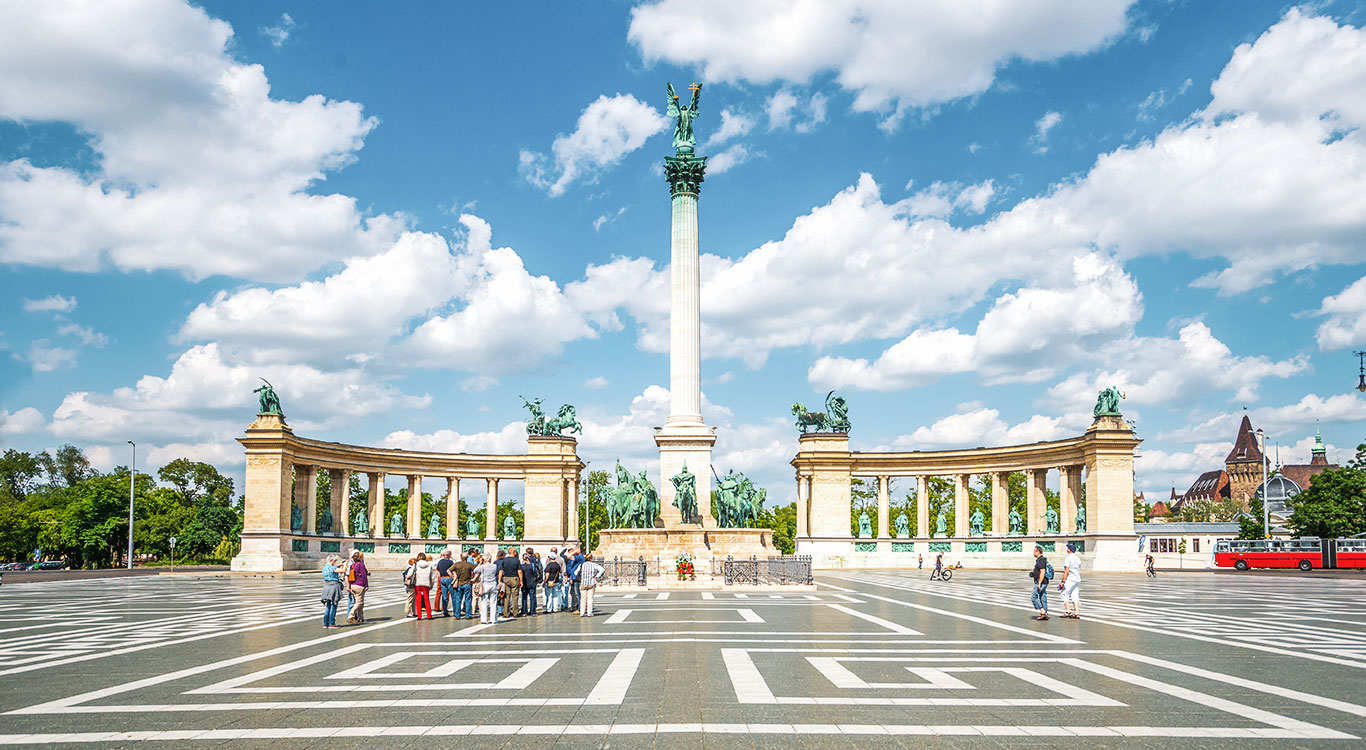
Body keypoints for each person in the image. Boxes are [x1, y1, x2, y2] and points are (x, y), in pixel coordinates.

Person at [473, 553, 500, 624]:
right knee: (493, 603)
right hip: (493, 584)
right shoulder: (495, 566)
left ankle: (484, 619)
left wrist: (480, 563)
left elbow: (475, 570)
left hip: (485, 585)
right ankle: (493, 619)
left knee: (484, 602)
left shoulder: (482, 567)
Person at [496, 549, 523, 618]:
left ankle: (506, 612)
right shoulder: (517, 560)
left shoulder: (504, 560)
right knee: (515, 596)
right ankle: (515, 612)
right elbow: (519, 571)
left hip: (506, 578)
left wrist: (499, 579)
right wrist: (521, 580)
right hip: (514, 578)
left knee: (506, 596)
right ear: (514, 552)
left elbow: (501, 571)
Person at [320, 554, 344, 629]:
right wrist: (345, 564)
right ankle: (332, 623)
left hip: (326, 587)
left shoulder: (325, 567)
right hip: (333, 587)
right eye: (335, 561)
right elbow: (343, 571)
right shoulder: (332, 567)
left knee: (328, 606)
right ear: (332, 560)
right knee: (334, 605)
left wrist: (340, 565)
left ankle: (325, 623)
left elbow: (334, 569)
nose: (335, 562)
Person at [1058, 542, 1082, 619]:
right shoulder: (1078, 559)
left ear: (1069, 550)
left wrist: (1062, 581)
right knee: (1075, 595)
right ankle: (1077, 612)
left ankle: (1068, 611)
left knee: (1064, 593)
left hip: (1070, 579)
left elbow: (1066, 571)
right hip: (1077, 579)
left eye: (1067, 548)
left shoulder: (1068, 558)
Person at [346, 550, 370, 624]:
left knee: (360, 602)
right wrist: (366, 585)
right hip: (359, 585)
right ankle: (351, 615)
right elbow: (363, 575)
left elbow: (350, 575)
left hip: (353, 585)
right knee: (359, 602)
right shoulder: (360, 565)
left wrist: (349, 585)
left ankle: (361, 617)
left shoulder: (352, 565)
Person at [1030, 545, 1051, 621]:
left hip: (1041, 582)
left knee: (1033, 596)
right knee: (1042, 596)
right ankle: (1045, 613)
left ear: (1038, 551)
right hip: (1044, 582)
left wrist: (1039, 583)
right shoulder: (1042, 560)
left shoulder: (1040, 560)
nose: (1033, 553)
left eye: (1034, 551)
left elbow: (1042, 571)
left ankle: (1043, 612)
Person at [453, 549, 476, 619]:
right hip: (467, 583)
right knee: (468, 600)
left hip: (459, 583)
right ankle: (468, 615)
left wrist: (454, 577)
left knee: (458, 600)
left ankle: (457, 615)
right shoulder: (470, 565)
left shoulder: (457, 564)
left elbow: (448, 570)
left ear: (461, 557)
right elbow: (476, 570)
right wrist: (473, 577)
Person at [413, 553, 436, 620]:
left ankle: (419, 616)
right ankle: (429, 615)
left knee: (418, 600)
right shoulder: (429, 565)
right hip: (426, 584)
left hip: (418, 584)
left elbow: (409, 574)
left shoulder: (415, 565)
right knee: (427, 599)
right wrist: (431, 584)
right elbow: (433, 576)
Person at [435, 549, 456, 617]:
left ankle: (445, 611)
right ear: (448, 555)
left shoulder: (440, 562)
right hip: (448, 578)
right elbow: (452, 571)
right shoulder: (450, 562)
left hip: (442, 578)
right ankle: (455, 611)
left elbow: (437, 570)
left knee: (444, 596)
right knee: (453, 595)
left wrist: (440, 576)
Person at [567, 547, 586, 612]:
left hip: (576, 578)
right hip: (575, 577)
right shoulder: (580, 557)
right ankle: (578, 607)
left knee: (577, 594)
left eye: (574, 550)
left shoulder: (579, 557)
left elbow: (568, 556)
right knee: (576, 593)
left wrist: (574, 552)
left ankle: (579, 608)